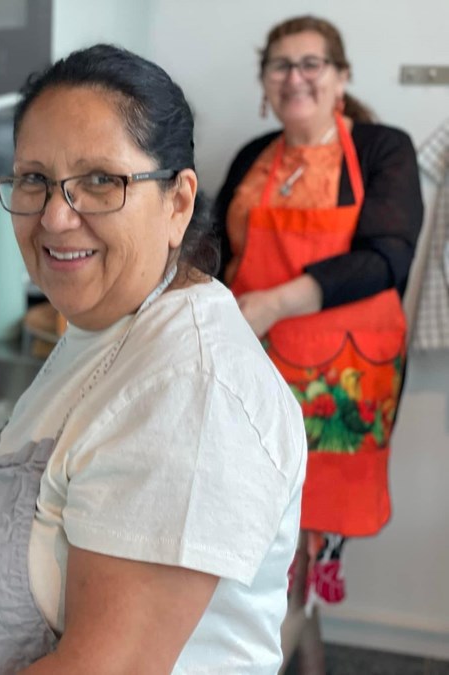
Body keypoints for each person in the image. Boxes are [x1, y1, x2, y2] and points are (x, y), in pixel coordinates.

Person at [0, 44, 306, 673]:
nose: (54, 216)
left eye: (101, 181)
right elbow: (66, 538)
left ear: (178, 202)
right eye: (35, 179)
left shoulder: (191, 392)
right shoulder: (107, 325)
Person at [213, 15, 423, 673]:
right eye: (280, 65)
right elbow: (218, 252)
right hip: (255, 367)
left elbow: (387, 256)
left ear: (340, 77)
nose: (295, 77)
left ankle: (279, 652)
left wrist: (273, 302)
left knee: (310, 525)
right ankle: (305, 652)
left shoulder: (384, 149)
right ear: (264, 82)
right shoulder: (254, 156)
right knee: (265, 522)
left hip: (342, 376)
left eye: (311, 63)